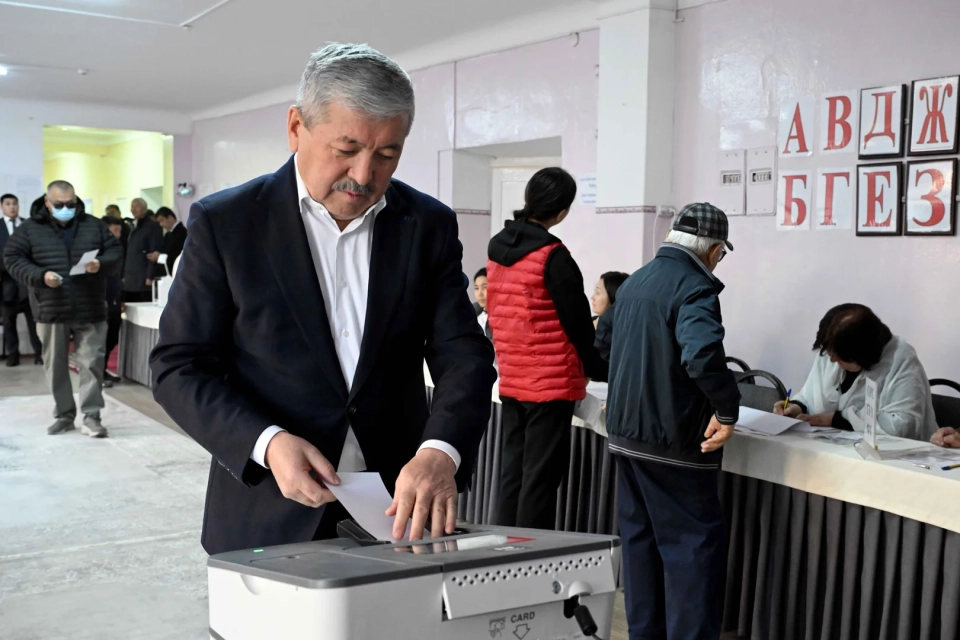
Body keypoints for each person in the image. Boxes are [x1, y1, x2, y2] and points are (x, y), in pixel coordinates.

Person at [149, 43, 497, 555]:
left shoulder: (426, 225)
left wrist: (440, 451)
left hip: (399, 511)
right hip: (269, 510)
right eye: (346, 149)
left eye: (387, 155)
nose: (364, 175)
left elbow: (463, 354)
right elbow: (178, 367)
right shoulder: (227, 224)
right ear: (296, 127)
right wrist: (267, 443)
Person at [598, 202, 740, 640]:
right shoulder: (695, 287)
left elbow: (603, 344)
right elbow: (702, 354)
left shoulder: (635, 281)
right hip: (673, 443)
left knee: (640, 545)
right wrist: (726, 409)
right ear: (713, 250)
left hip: (625, 436)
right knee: (691, 550)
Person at [486, 167, 608, 530]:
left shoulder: (497, 248)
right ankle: (528, 553)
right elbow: (578, 324)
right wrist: (598, 368)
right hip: (551, 385)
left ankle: (503, 546)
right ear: (562, 211)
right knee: (539, 479)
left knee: (512, 472)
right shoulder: (553, 256)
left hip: (512, 377)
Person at [3, 181, 122, 437]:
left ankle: (91, 416)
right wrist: (40, 276)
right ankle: (64, 415)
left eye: (71, 204)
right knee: (55, 365)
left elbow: (115, 252)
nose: (66, 208)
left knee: (92, 362)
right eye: (59, 204)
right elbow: (12, 258)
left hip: (90, 305)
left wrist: (100, 264)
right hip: (50, 306)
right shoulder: (30, 228)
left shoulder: (93, 225)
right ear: (47, 202)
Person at [775, 303, 938, 441]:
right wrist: (797, 407)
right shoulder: (832, 349)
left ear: (862, 354)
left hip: (894, 457)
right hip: (834, 447)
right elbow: (810, 395)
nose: (832, 360)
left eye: (840, 357)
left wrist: (835, 419)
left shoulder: (901, 359)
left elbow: (902, 425)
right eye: (829, 352)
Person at [0, 193, 43, 366]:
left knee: (34, 320)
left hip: (28, 282)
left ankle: (39, 353)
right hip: (6, 283)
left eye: (15, 203)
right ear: (2, 207)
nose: (12, 207)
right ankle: (13, 354)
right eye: (8, 204)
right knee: (8, 322)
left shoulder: (28, 225)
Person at [122, 197, 162, 303]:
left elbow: (154, 251)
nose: (133, 209)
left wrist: (149, 276)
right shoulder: (133, 226)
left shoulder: (152, 226)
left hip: (143, 276)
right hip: (131, 276)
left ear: (144, 208)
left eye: (137, 207)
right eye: (132, 207)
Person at [102, 215, 126, 387]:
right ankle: (98, 374)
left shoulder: (116, 249)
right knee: (101, 339)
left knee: (112, 337)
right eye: (114, 231)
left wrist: (121, 298)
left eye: (119, 231)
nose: (118, 235)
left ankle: (102, 370)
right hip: (101, 301)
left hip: (115, 300)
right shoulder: (96, 249)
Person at [147, 207, 187, 279]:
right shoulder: (168, 235)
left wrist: (159, 257)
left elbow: (178, 255)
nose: (161, 224)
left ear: (170, 218)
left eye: (162, 220)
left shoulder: (182, 233)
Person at [472, 267, 492, 340]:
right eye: (477, 288)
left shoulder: (503, 318)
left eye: (485, 287)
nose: (480, 293)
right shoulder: (472, 315)